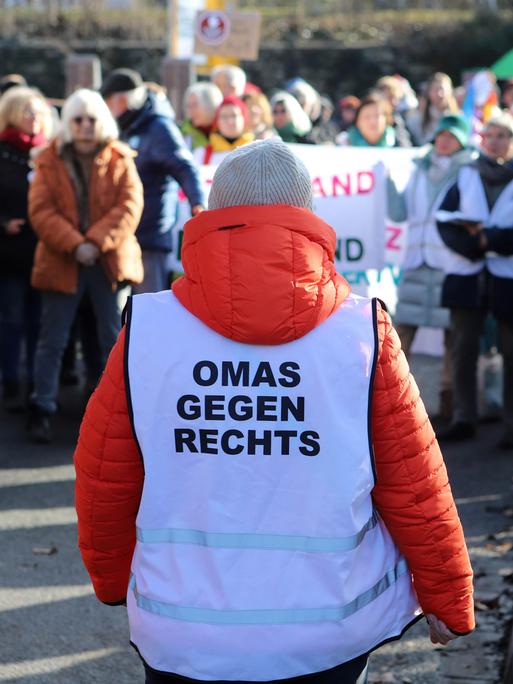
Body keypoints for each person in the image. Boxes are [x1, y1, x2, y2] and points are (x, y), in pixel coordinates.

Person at [74, 139, 474, 684]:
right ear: (309, 217)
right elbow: (414, 480)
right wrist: (448, 596)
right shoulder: (362, 332)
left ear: (210, 216)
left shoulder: (148, 328)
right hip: (327, 632)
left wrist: (116, 582)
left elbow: (105, 477)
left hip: (183, 630)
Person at [27, 89, 144, 443]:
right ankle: (42, 408)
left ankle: (115, 414)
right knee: (53, 340)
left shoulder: (120, 157)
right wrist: (76, 244)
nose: (85, 126)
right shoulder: (47, 160)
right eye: (77, 119)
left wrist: (94, 242)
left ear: (102, 121)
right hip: (62, 260)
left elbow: (130, 206)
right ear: (68, 122)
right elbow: (41, 210)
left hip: (108, 260)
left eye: (92, 118)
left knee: (113, 338)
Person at [388, 114, 475, 421]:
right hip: (416, 262)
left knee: (452, 338)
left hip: (449, 263)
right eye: (441, 134)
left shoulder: (469, 172)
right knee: (400, 338)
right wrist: (385, 181)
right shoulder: (418, 169)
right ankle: (395, 403)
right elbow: (398, 213)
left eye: (451, 135)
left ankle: (447, 404)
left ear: (462, 141)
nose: (444, 140)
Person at [436, 112, 513, 447]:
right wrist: (473, 247)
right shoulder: (466, 174)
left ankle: (511, 424)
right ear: (482, 139)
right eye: (491, 135)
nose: (496, 141)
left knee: (512, 351)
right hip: (467, 276)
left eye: (503, 136)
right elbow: (441, 217)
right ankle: (463, 417)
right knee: (463, 349)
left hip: (508, 279)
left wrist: (490, 240)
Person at [101, 68, 205, 294]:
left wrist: (198, 202)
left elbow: (184, 166)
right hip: (125, 232)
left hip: (150, 233)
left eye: (108, 102)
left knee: (147, 304)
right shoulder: (126, 126)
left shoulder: (158, 127)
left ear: (120, 100)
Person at [0, 86, 52, 409]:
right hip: (9, 252)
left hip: (44, 250)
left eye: (39, 112)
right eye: (27, 112)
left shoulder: (49, 153)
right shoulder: (2, 152)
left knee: (40, 321)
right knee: (12, 318)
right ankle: (11, 380)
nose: (34, 118)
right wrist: (3, 222)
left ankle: (36, 380)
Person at [194, 96, 255, 165]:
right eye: (224, 116)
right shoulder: (201, 154)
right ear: (217, 121)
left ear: (243, 118)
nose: (230, 121)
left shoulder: (257, 151)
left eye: (234, 115)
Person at [407, 73, 459, 147]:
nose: (439, 94)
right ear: (429, 92)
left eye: (442, 89)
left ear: (450, 91)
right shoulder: (417, 119)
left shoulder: (458, 118)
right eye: (435, 90)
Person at [181, 82, 223, 150]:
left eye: (195, 105)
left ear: (211, 105)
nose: (190, 110)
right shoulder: (184, 134)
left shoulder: (227, 132)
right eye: (188, 106)